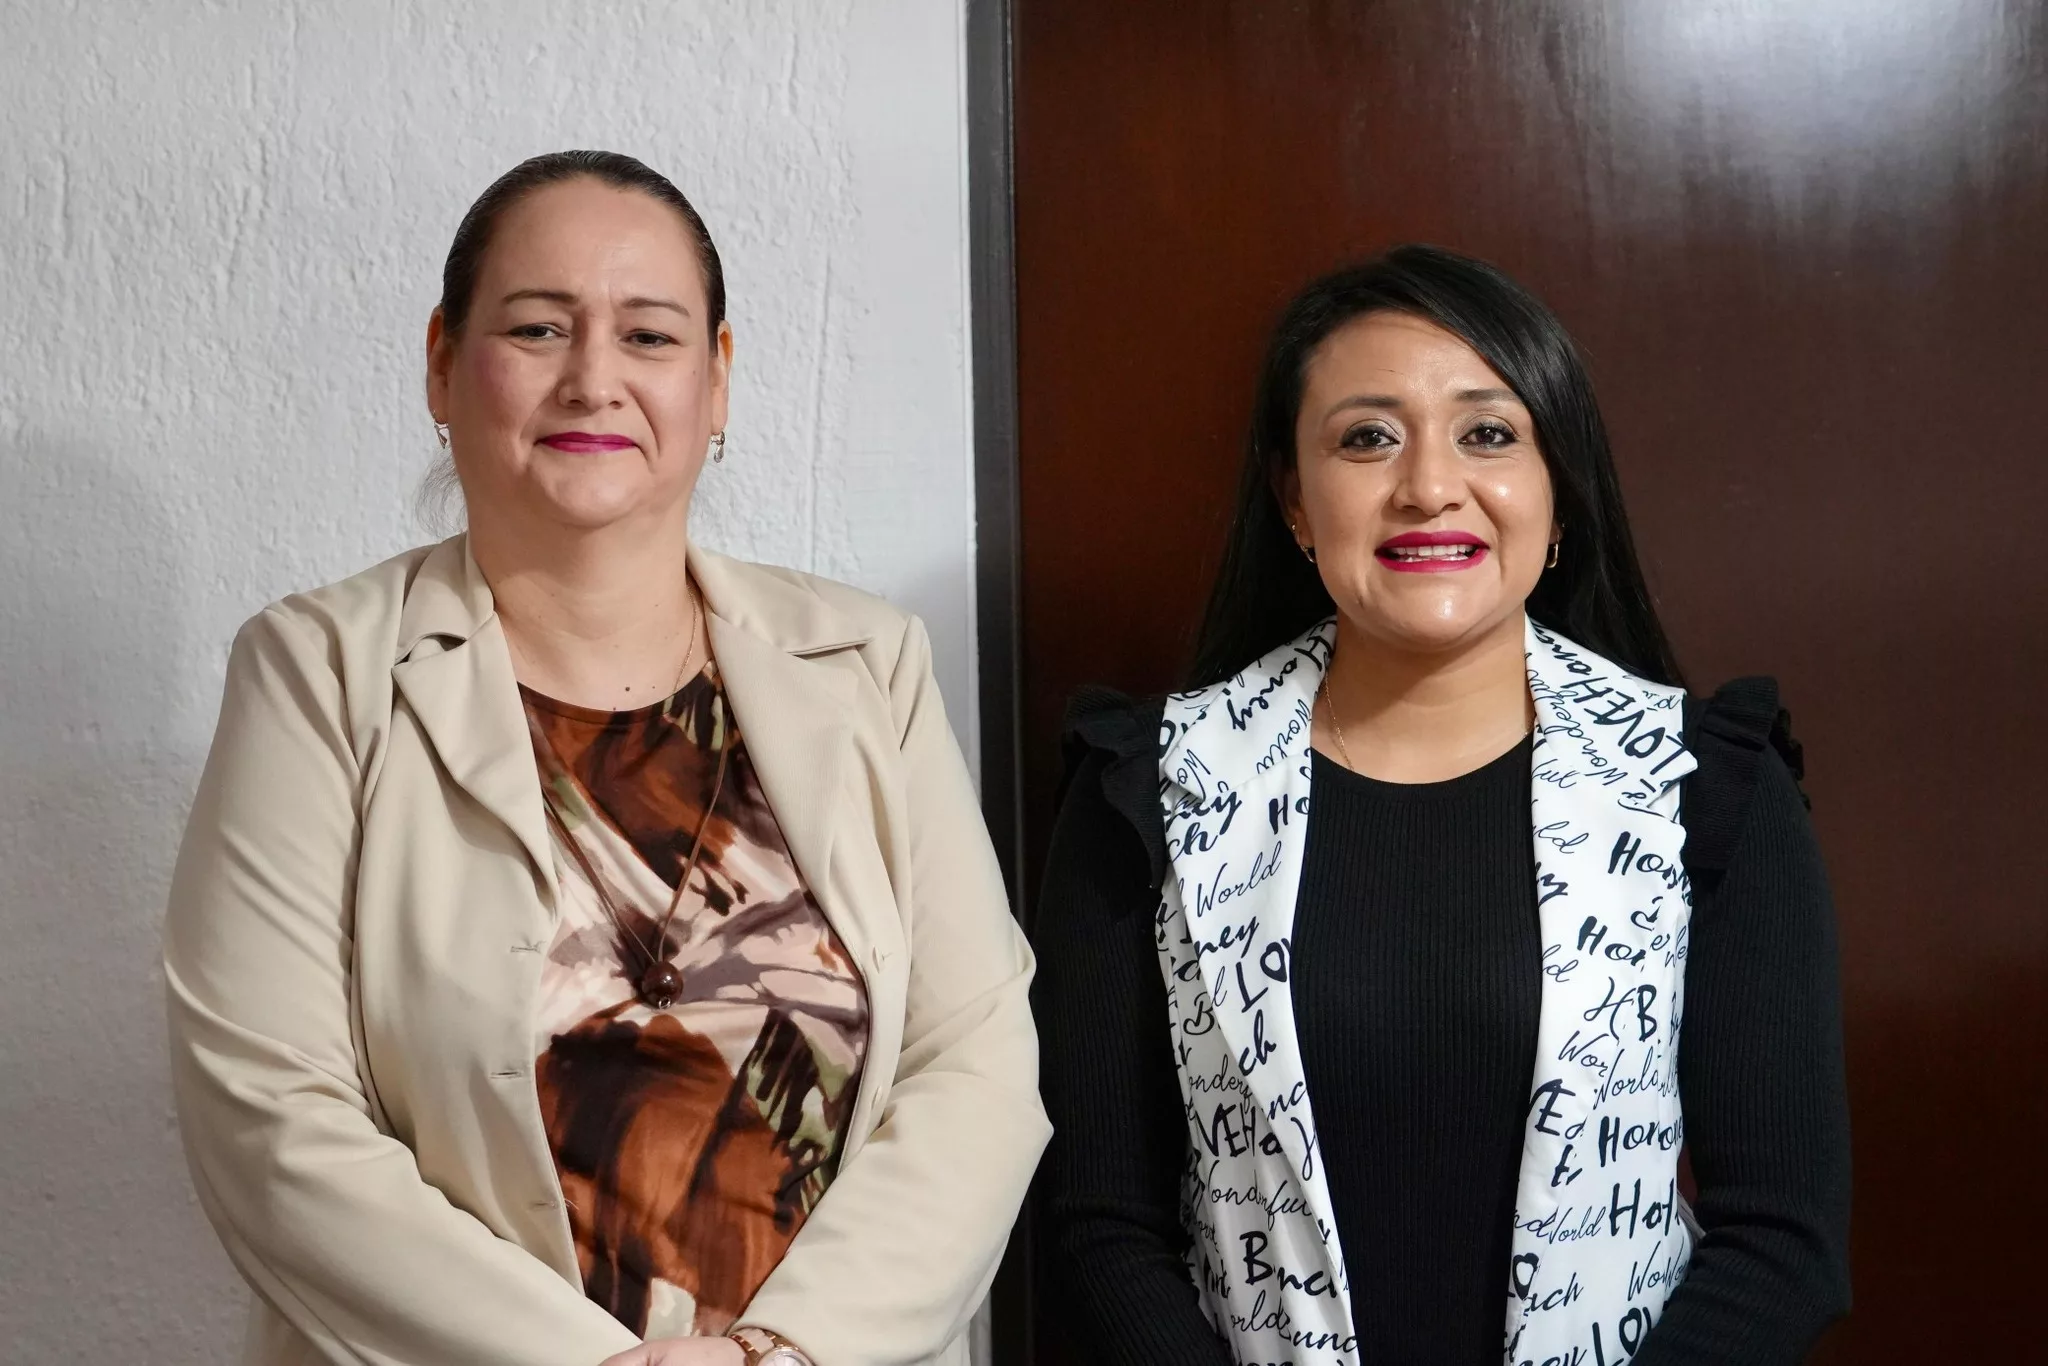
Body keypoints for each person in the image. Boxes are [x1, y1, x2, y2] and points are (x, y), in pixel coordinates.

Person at [164, 150, 1047, 1366]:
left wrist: (778, 1352)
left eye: (648, 336)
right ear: (442, 360)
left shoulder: (865, 666)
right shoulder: (317, 676)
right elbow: (270, 1120)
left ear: (716, 380)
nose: (593, 379)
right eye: (537, 328)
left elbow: (975, 1068)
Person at [1033, 246, 1851, 1365]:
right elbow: (1098, 1227)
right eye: (1367, 437)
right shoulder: (1151, 790)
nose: (1426, 485)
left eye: (1488, 433)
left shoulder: (1703, 787)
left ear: (1558, 493)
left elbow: (1782, 1241)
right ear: (1293, 498)